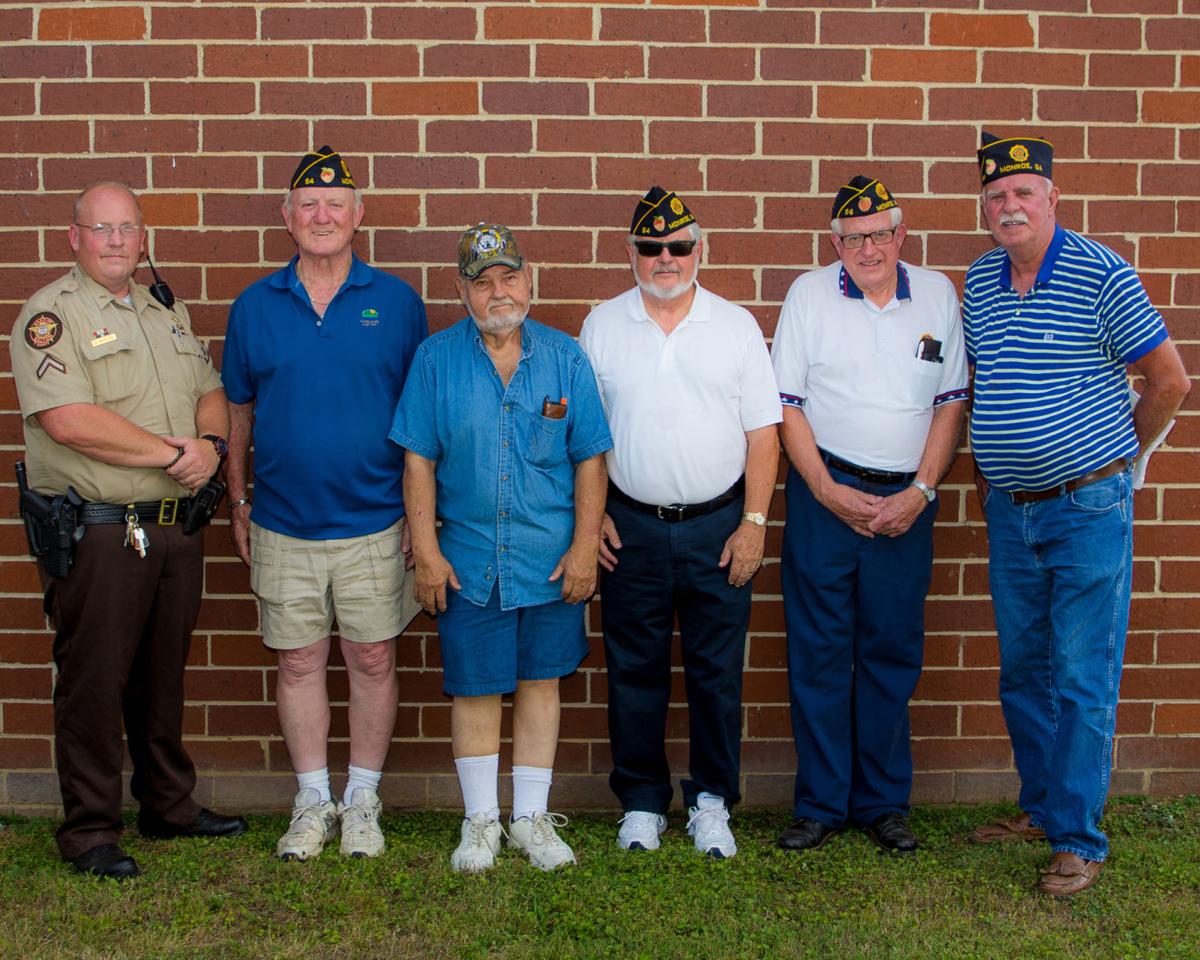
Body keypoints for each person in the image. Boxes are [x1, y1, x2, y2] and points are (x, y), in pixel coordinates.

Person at [964, 133, 1190, 896]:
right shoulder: (981, 280)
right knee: (1023, 672)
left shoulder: (1102, 273)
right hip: (1011, 511)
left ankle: (1078, 838)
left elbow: (1169, 380)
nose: (1009, 206)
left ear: (1052, 197)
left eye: (1023, 192)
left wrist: (1119, 459)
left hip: (1087, 507)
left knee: (1082, 676)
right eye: (996, 196)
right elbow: (987, 382)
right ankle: (1042, 808)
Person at [9, 181, 246, 880]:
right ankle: (88, 830)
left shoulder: (162, 311)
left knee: (162, 677)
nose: (116, 241)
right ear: (74, 238)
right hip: (102, 533)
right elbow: (68, 420)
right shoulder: (52, 315)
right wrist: (175, 457)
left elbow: (210, 389)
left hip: (174, 526)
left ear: (143, 239)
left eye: (127, 229)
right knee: (94, 682)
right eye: (101, 228)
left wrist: (211, 444)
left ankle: (167, 804)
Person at [222, 147, 428, 861]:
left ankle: (362, 799)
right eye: (307, 204)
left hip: (376, 521)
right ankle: (312, 800)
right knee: (298, 662)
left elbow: (421, 419)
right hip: (283, 523)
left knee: (372, 658)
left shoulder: (397, 303)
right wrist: (239, 501)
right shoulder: (254, 306)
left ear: (357, 215)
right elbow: (239, 412)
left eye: (334, 204)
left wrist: (419, 516)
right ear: (287, 217)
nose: (321, 215)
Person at [389, 223, 611, 873]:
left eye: (509, 277)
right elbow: (418, 460)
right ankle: (481, 821)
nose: (498, 293)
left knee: (541, 682)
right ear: (461, 291)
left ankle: (530, 819)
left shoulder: (566, 358)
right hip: (469, 558)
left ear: (528, 280)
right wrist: (427, 551)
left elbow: (590, 458)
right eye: (482, 282)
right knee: (476, 687)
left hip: (548, 556)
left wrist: (585, 547)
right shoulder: (435, 360)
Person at [578, 187, 782, 859]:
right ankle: (641, 802)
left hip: (718, 527)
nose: (665, 258)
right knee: (633, 669)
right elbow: (586, 437)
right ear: (630, 253)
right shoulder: (601, 325)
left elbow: (763, 434)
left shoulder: (736, 326)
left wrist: (754, 523)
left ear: (701, 250)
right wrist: (593, 516)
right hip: (630, 527)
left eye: (678, 246)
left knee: (716, 674)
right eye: (651, 247)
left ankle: (712, 801)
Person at [771, 177, 968, 855]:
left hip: (906, 502)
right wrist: (826, 490)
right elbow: (787, 405)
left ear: (901, 235)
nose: (868, 249)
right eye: (853, 238)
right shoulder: (808, 295)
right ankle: (820, 804)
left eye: (880, 234)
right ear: (836, 244)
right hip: (824, 496)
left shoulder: (938, 295)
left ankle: (883, 803)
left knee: (890, 652)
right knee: (819, 653)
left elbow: (950, 403)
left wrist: (921, 491)